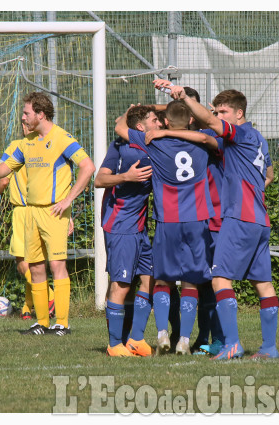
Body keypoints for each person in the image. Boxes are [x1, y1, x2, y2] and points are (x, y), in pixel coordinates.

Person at [158, 80, 279, 360]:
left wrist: (184, 98)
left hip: (240, 218)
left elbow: (208, 125)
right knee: (263, 284)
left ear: (239, 114)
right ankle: (269, 348)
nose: (218, 115)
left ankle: (232, 344)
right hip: (259, 219)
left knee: (219, 278)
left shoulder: (240, 134)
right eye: (217, 110)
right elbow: (269, 174)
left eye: (223, 111)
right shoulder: (257, 138)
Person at [0, 92, 95, 335]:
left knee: (57, 265)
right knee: (36, 268)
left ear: (41, 114)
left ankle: (62, 323)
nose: (23, 116)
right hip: (31, 213)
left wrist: (68, 200)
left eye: (27, 112)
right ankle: (42, 323)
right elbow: (7, 166)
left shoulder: (62, 138)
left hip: (54, 213)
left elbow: (88, 166)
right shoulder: (27, 142)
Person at [116, 100, 217, 356]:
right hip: (197, 220)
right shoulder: (203, 139)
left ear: (166, 122)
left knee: (162, 279)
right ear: (191, 121)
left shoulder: (155, 142)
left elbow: (119, 127)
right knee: (191, 283)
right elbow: (213, 120)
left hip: (167, 221)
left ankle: (162, 333)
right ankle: (184, 339)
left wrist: (137, 107)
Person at [94, 105, 158, 357]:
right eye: (155, 120)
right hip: (121, 226)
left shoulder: (129, 142)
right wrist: (126, 177)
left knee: (148, 277)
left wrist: (129, 110)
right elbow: (99, 180)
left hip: (139, 226)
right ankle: (114, 344)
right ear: (140, 128)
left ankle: (136, 339)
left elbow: (121, 123)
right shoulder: (131, 146)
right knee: (120, 284)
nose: (160, 123)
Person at [0, 123, 56, 321]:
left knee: (22, 263)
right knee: (36, 261)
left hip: (22, 211)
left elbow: (3, 180)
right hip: (43, 210)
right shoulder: (45, 147)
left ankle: (50, 296)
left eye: (25, 122)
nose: (23, 126)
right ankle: (28, 307)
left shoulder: (17, 147)